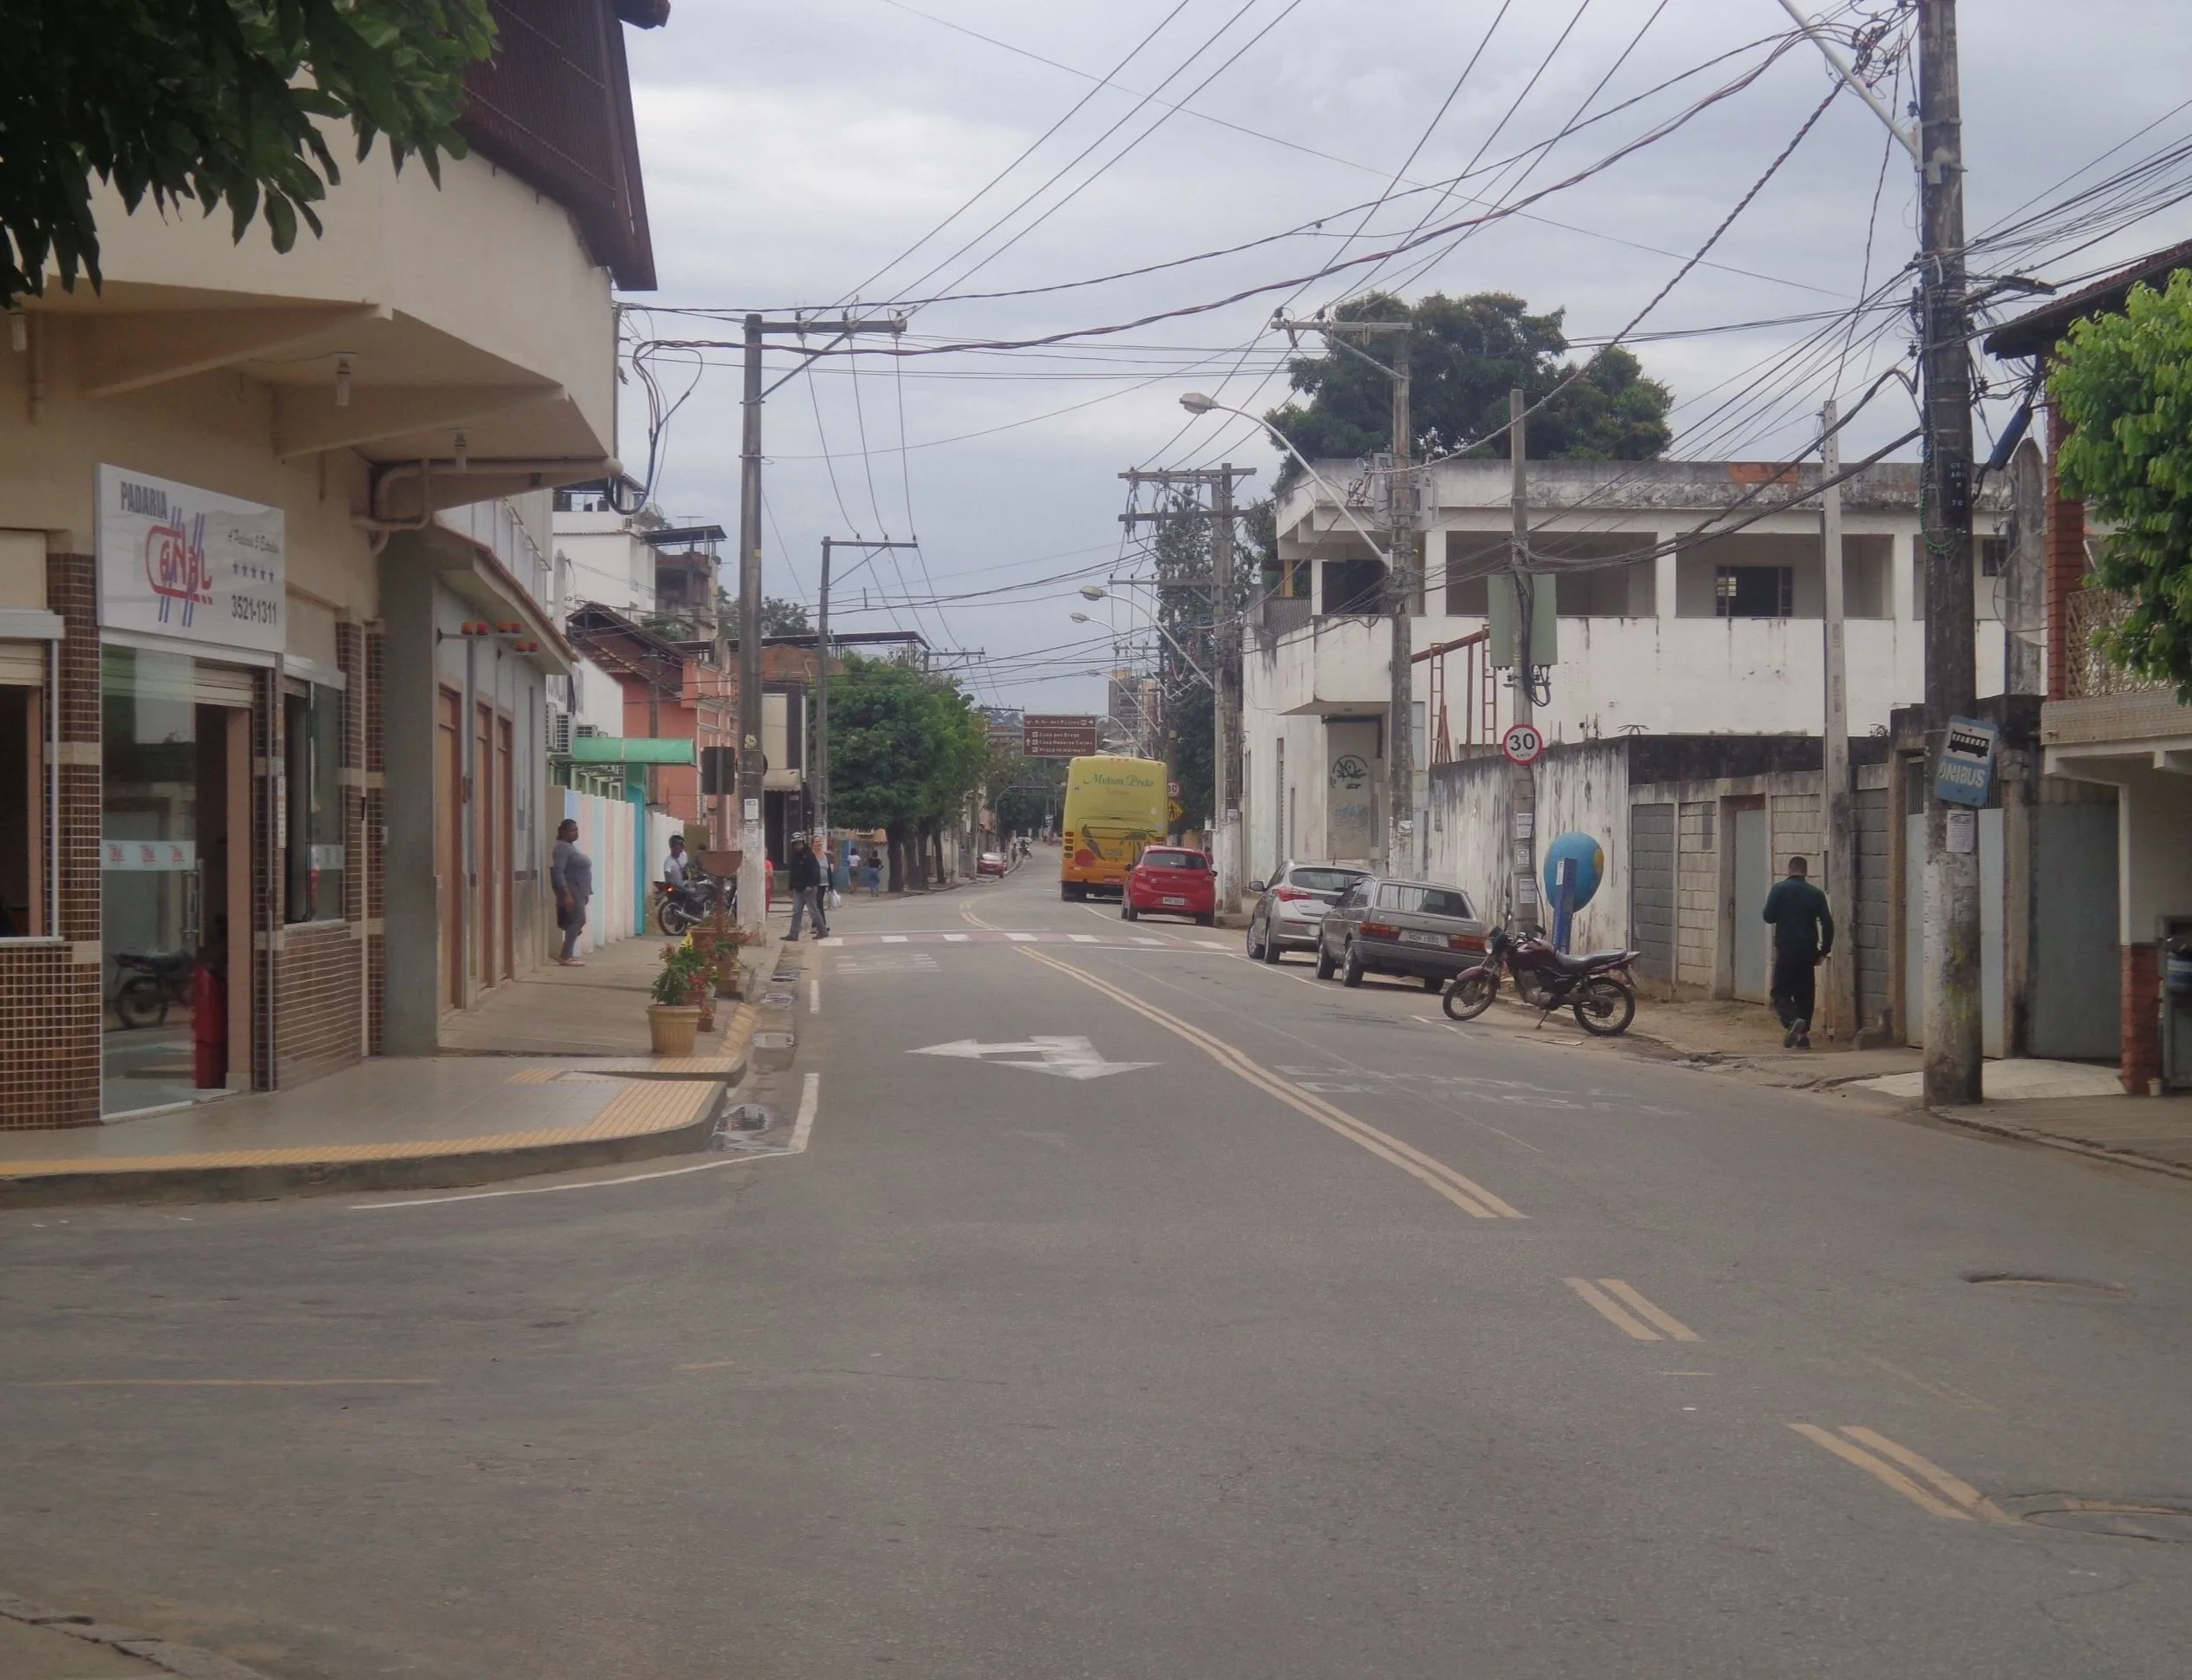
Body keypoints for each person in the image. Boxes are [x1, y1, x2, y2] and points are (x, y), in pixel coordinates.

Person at [1762, 854, 1834, 1049]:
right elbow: (1827, 923)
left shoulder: (1779, 889)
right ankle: (1803, 1036)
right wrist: (1823, 950)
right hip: (1808, 950)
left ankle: (1792, 1021)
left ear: (1789, 870)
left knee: (1780, 992)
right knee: (1805, 994)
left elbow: (1768, 916)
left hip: (1786, 948)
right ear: (1806, 871)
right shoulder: (1815, 893)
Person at [552, 817, 593, 966]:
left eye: (576, 830)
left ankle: (568, 952)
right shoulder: (562, 848)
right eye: (571, 830)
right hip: (571, 889)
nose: (575, 833)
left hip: (580, 890)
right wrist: (566, 893)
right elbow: (558, 872)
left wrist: (586, 892)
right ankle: (565, 955)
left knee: (578, 921)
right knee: (578, 920)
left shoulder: (571, 847)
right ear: (563, 832)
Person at [787, 832, 830, 940]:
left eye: (799, 843)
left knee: (813, 911)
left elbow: (815, 872)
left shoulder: (809, 855)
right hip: (798, 888)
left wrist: (810, 885)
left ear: (803, 843)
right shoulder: (794, 857)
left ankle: (823, 931)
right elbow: (793, 873)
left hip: (809, 888)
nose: (798, 846)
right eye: (795, 844)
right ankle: (793, 934)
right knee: (796, 911)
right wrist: (790, 888)